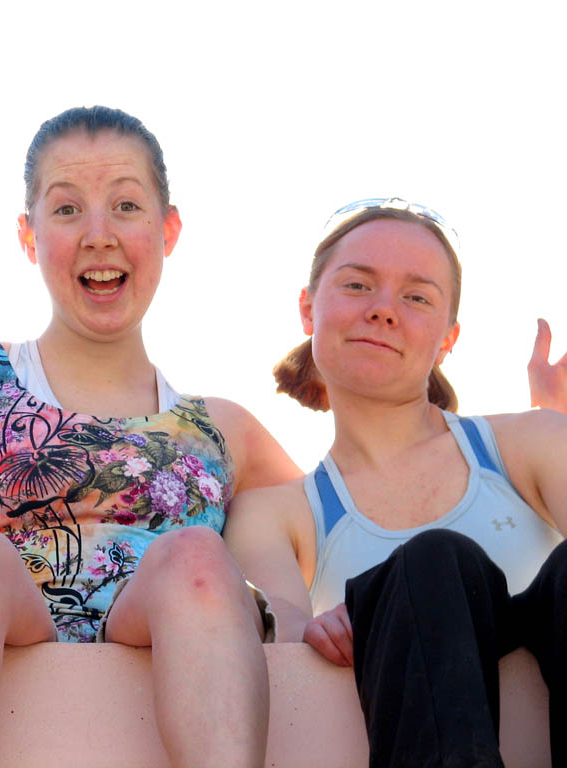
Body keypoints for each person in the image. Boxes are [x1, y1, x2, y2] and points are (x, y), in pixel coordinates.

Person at [0, 106, 302, 768]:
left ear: (168, 230)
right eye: (68, 209)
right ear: (29, 235)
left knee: (195, 557)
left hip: (161, 634)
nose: (99, 235)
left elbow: (334, 544)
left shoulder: (227, 429)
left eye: (127, 205)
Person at [225, 198, 567, 767]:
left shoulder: (535, 441)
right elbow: (282, 641)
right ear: (309, 310)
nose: (384, 310)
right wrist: (314, 627)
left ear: (448, 337)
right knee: (430, 564)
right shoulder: (275, 513)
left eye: (416, 296)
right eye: (358, 285)